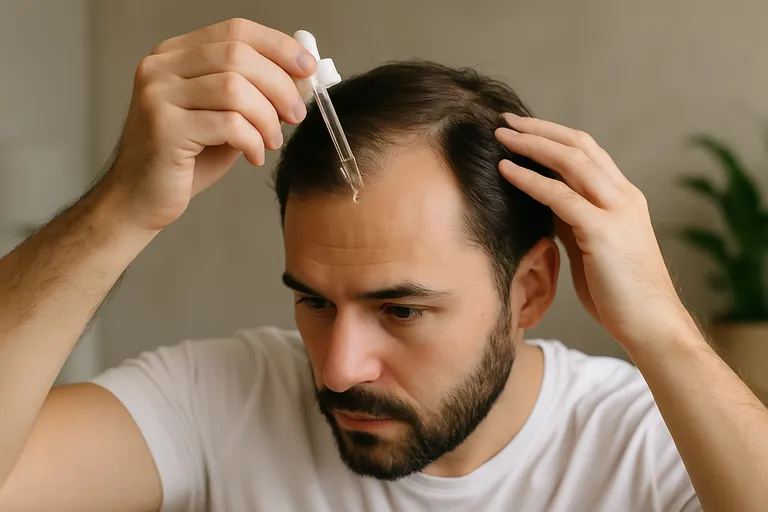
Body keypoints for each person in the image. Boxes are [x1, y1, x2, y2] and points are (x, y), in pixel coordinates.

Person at [0, 17, 765, 512]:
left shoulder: (646, 441)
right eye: (314, 302)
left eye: (401, 310)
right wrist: (117, 211)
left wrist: (664, 332)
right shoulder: (218, 401)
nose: (336, 370)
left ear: (528, 290)